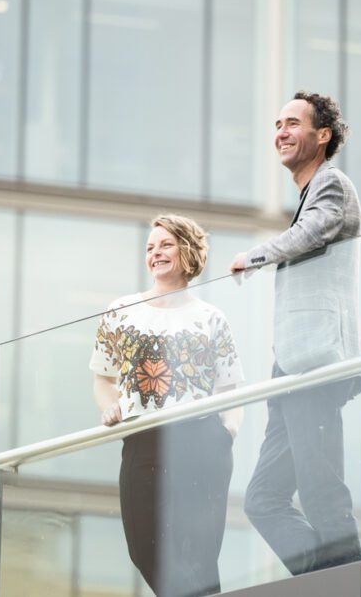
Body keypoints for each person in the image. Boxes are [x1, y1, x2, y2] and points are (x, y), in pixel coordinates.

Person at [230, 90, 361, 574]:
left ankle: (348, 584)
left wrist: (255, 255)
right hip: (290, 362)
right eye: (277, 124)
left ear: (322, 135)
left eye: (292, 123)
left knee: (321, 487)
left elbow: (313, 232)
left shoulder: (331, 185)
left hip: (317, 362)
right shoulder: (310, 192)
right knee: (263, 498)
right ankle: (322, 579)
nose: (280, 132)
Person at [91, 214, 244, 597]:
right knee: (145, 547)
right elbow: (103, 379)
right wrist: (111, 408)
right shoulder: (121, 310)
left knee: (198, 555)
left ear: (187, 251)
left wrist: (227, 433)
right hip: (142, 438)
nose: (155, 253)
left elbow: (232, 388)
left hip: (201, 439)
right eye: (149, 247)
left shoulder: (211, 318)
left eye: (165, 244)